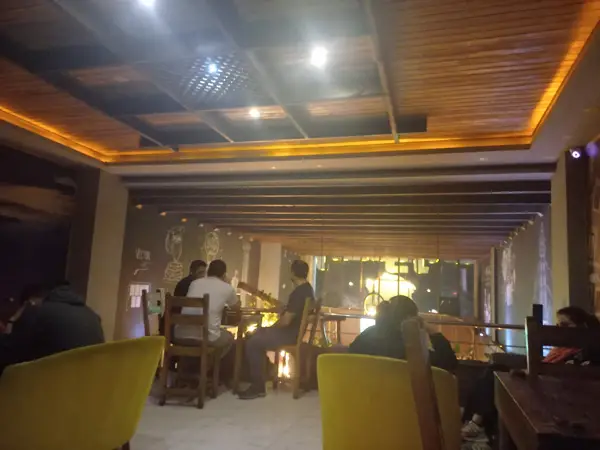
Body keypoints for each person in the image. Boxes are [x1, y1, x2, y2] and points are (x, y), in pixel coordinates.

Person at [461, 306, 600, 444]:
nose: (559, 329)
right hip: (539, 385)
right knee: (493, 372)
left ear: (581, 327)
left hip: (548, 394)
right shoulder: (559, 350)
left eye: (565, 325)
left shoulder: (582, 354)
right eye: (557, 325)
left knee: (494, 377)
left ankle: (476, 423)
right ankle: (476, 422)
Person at [238, 259, 314, 400]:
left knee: (253, 342)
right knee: (257, 334)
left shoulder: (298, 293)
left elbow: (286, 321)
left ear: (292, 273)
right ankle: (264, 374)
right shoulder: (308, 290)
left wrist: (270, 328)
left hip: (288, 335)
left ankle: (258, 386)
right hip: (294, 333)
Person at [0, 281, 104, 376]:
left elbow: (9, 355)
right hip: (87, 386)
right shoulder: (93, 316)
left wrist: (12, 320)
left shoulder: (37, 312)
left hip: (46, 386)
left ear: (30, 302)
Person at [349, 295, 458, 372]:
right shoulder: (411, 348)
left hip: (360, 396)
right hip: (400, 398)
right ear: (411, 319)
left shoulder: (364, 338)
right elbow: (449, 362)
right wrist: (432, 330)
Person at [175, 260, 239, 356]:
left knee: (215, 333)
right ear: (224, 275)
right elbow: (236, 307)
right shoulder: (227, 288)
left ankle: (194, 363)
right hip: (206, 338)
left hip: (180, 335)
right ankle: (211, 364)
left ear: (208, 272)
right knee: (229, 337)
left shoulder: (194, 283)